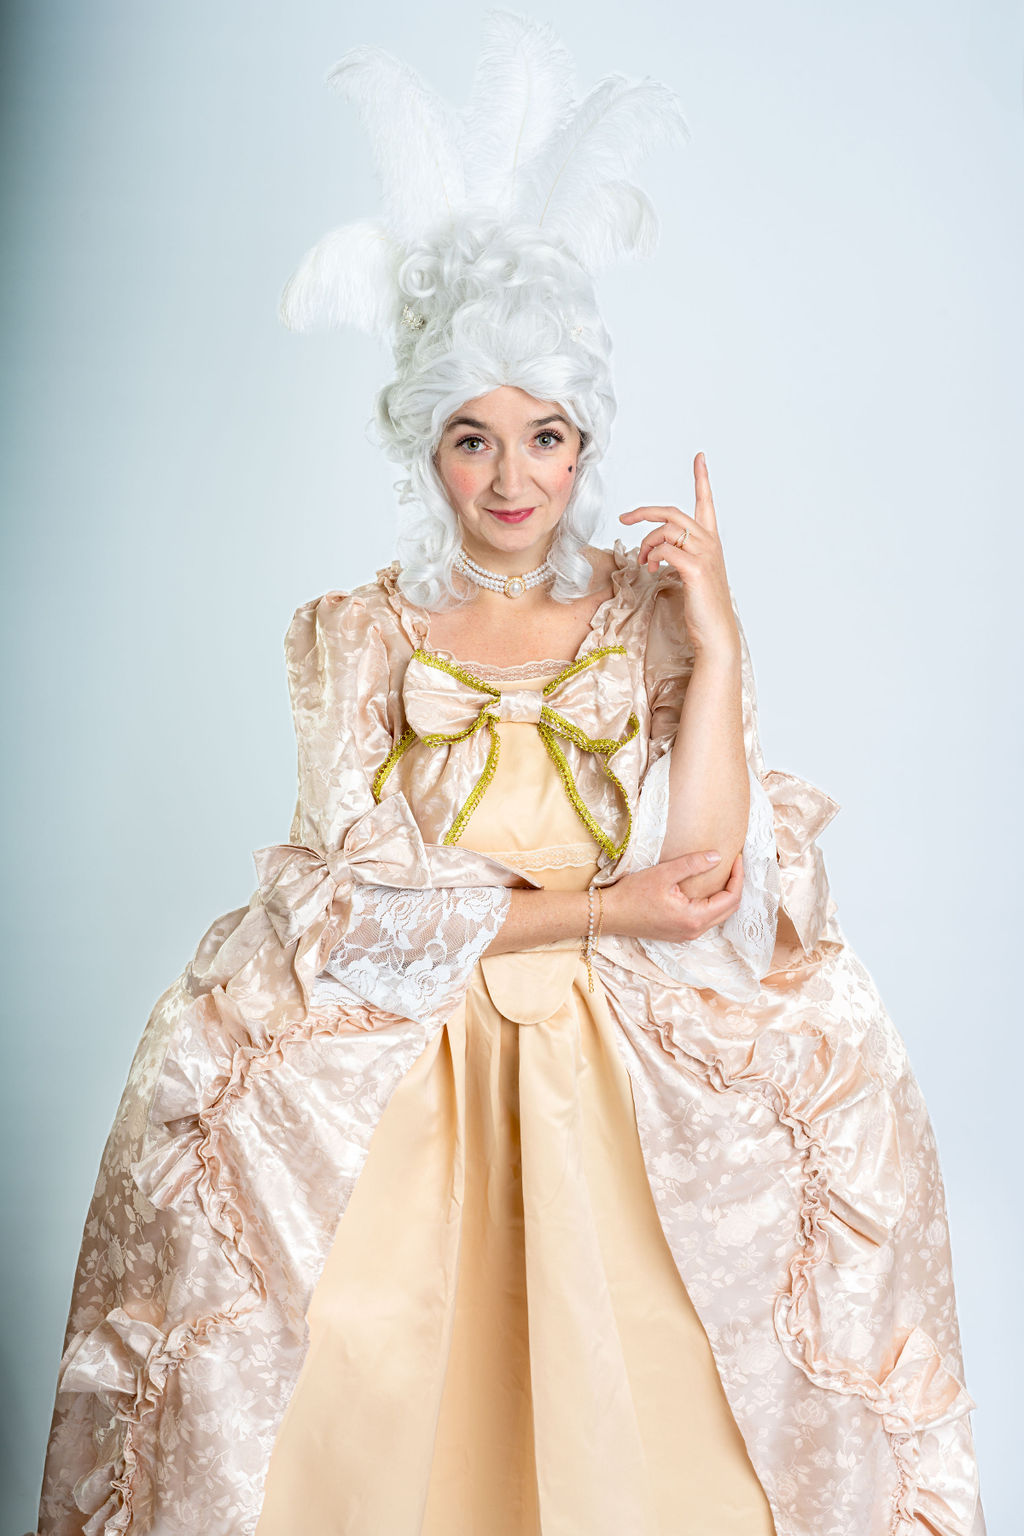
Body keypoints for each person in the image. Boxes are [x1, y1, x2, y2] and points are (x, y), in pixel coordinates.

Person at [35, 12, 985, 1536]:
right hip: (425, 1059)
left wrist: (719, 645)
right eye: (472, 439)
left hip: (612, 1065)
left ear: (586, 439)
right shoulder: (361, 635)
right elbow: (356, 916)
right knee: (373, 1389)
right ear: (424, 449)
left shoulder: (643, 614)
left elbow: (714, 881)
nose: (513, 477)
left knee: (663, 1403)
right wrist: (602, 913)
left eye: (545, 435)